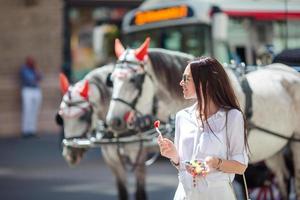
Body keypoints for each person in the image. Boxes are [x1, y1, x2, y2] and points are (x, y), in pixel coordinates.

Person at [157, 56, 249, 200]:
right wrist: (174, 155)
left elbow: (241, 166)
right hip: (184, 195)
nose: (181, 83)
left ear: (204, 83)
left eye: (186, 78)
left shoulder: (232, 117)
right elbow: (182, 166)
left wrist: (215, 163)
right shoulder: (182, 117)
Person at [20, 56, 42, 138]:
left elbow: (40, 77)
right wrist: (35, 78)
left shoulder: (35, 69)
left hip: (36, 90)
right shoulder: (24, 69)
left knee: (35, 110)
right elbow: (30, 79)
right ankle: (25, 130)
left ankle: (32, 130)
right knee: (27, 110)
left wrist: (36, 69)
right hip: (27, 90)